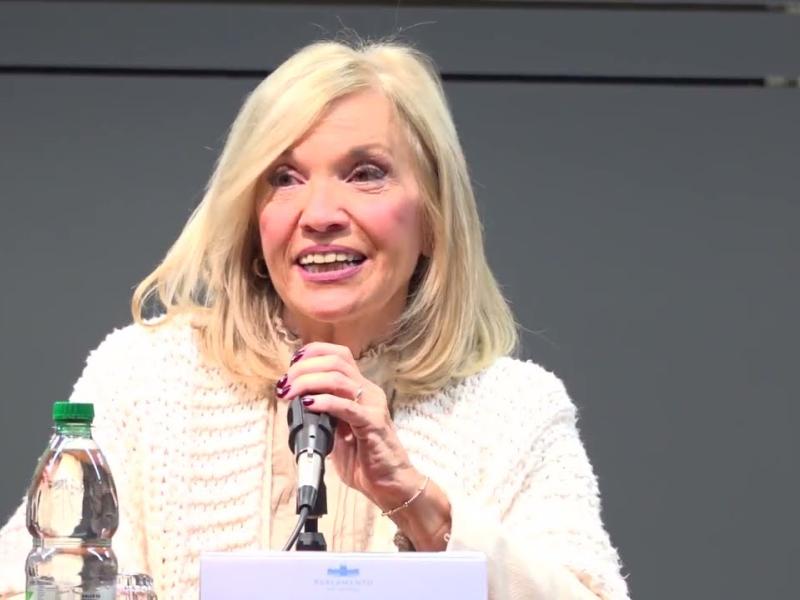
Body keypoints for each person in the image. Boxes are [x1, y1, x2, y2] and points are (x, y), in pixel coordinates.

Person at [0, 40, 629, 599]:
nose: (320, 213)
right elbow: (21, 582)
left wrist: (418, 501)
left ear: (434, 219)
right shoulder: (142, 376)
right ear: (253, 220)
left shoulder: (517, 410)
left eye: (366, 174)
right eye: (285, 178)